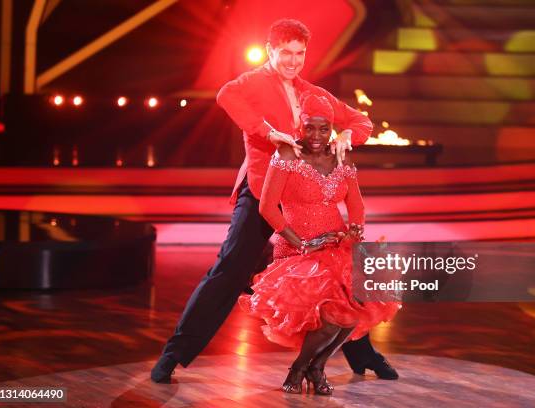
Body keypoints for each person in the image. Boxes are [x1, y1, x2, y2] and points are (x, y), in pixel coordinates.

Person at [151, 18, 398, 384]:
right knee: (231, 269)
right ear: (271, 50)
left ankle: (363, 355)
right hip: (261, 190)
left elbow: (360, 121)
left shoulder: (312, 92)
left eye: (300, 54)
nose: (293, 61)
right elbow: (225, 97)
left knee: (336, 277)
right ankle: (174, 355)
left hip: (304, 199)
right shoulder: (250, 83)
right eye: (286, 53)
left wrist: (347, 133)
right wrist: (270, 131)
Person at [239, 93, 400, 395]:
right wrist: (301, 243)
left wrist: (354, 232)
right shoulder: (287, 155)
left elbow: (357, 207)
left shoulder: (341, 156)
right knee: (329, 320)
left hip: (336, 244)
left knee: (354, 313)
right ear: (300, 126)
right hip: (298, 249)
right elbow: (267, 208)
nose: (316, 136)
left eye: (323, 129)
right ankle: (299, 367)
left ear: (332, 129)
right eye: (309, 128)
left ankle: (317, 366)